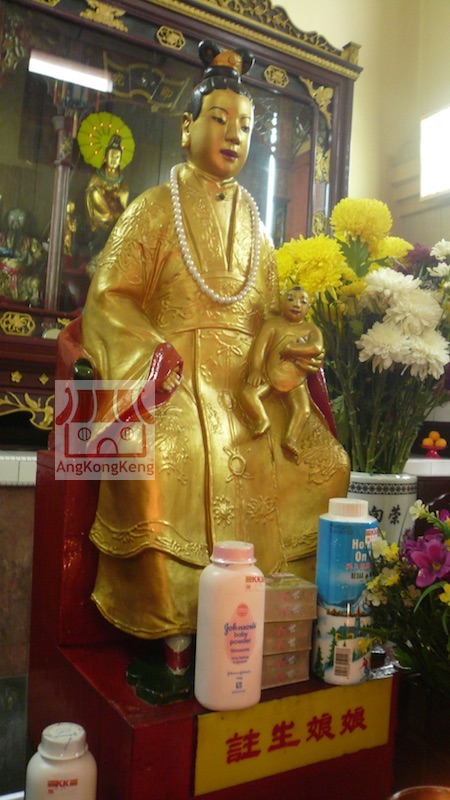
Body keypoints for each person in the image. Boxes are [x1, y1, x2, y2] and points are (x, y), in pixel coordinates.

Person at [80, 41, 350, 676]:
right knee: (159, 452)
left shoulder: (256, 222)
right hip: (171, 373)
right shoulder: (153, 208)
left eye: (246, 126)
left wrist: (291, 343)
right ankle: (175, 628)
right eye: (220, 119)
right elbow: (109, 297)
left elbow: (269, 314)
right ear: (188, 127)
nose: (234, 135)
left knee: (328, 464)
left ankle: (280, 613)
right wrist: (153, 354)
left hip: (249, 381)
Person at [238, 285, 324, 457]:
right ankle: (261, 420)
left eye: (303, 302)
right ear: (281, 303)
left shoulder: (311, 330)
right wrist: (256, 370)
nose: (296, 304)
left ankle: (291, 438)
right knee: (247, 393)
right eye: (290, 299)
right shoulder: (272, 325)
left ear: (308, 307)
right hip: (270, 376)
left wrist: (292, 349)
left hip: (296, 383)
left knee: (303, 410)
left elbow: (316, 347)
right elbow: (259, 349)